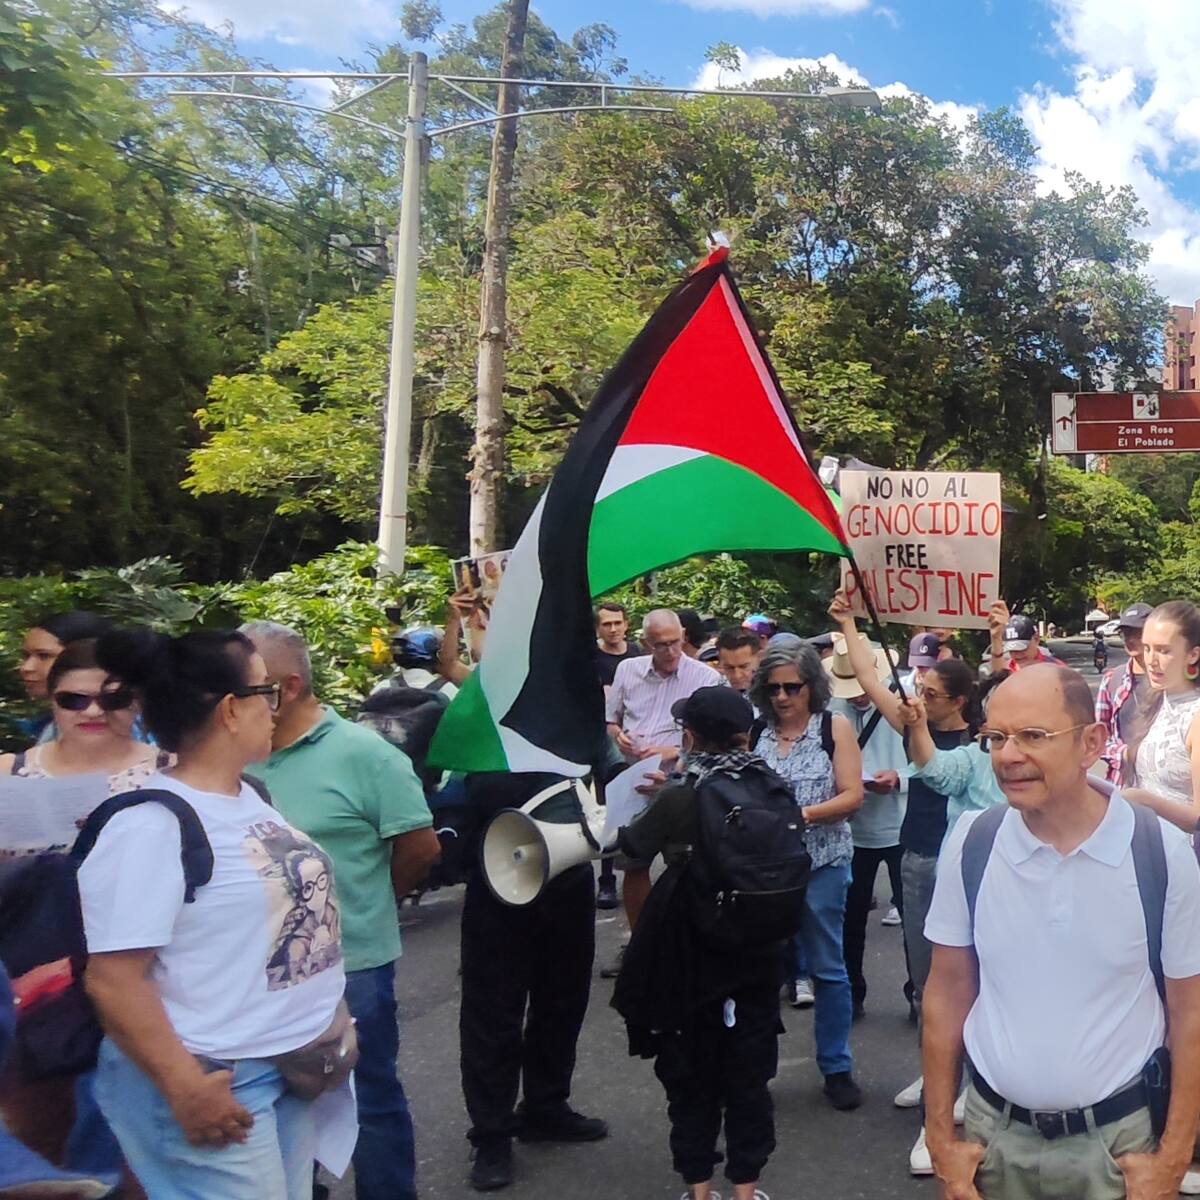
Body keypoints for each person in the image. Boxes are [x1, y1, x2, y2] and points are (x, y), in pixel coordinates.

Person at [78, 629, 350, 1200]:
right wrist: (185, 1087)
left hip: (288, 1068)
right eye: (266, 692)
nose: (276, 707)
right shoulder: (148, 825)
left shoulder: (249, 796)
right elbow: (113, 978)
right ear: (232, 708)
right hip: (215, 1080)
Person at [922, 663, 1200, 1200]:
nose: (1008, 755)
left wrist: (1172, 1158)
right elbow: (947, 992)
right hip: (993, 1142)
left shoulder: (1159, 854)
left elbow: (1190, 1013)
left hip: (1117, 1147)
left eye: (1033, 736)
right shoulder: (971, 843)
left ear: (1091, 742)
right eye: (996, 737)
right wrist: (941, 1141)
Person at [241, 622, 440, 1200]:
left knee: (369, 1095)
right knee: (275, 1100)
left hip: (353, 963)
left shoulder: (363, 754)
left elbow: (420, 848)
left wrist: (368, 905)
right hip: (255, 973)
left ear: (288, 686)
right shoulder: (233, 758)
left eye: (247, 686)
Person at [0, 639, 165, 1187]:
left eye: (111, 700)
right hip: (34, 980)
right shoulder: (10, 771)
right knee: (40, 1141)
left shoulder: (170, 772)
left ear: (137, 702)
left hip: (141, 975)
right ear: (51, 700)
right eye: (74, 700)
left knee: (135, 1144)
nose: (93, 712)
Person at [613, 687, 788, 1200]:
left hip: (690, 950)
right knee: (749, 1073)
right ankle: (746, 1189)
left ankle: (699, 1189)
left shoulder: (680, 794)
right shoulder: (773, 784)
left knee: (690, 1074)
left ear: (689, 737)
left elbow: (631, 852)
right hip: (757, 948)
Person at [458, 770, 608, 1191]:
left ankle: (546, 1106)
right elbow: (449, 795)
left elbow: (609, 782)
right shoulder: (480, 728)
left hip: (568, 879)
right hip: (497, 881)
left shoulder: (576, 725)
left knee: (563, 1001)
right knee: (492, 1014)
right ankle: (492, 1134)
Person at [750, 641, 866, 1110]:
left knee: (828, 970)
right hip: (763, 870)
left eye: (792, 688)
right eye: (773, 688)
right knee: (758, 972)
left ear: (811, 687)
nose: (782, 697)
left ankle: (836, 1067)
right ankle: (754, 1068)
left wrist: (799, 816)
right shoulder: (754, 731)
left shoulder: (833, 727)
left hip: (821, 864)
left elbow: (852, 795)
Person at [604, 610, 716, 950]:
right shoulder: (628, 670)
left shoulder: (703, 677)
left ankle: (686, 944)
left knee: (686, 864)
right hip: (635, 779)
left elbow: (711, 740)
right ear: (645, 644)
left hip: (680, 781)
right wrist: (616, 734)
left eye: (675, 643)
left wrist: (671, 753)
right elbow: (609, 719)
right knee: (632, 864)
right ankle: (641, 946)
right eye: (661, 646)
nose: (670, 652)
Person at [821, 632, 908, 1022]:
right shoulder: (830, 710)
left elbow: (932, 758)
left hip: (902, 825)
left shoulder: (904, 702)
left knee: (916, 918)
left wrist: (900, 777)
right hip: (851, 830)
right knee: (850, 919)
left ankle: (917, 993)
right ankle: (851, 992)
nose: (857, 696)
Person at [1119, 601, 1200, 842]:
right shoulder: (1154, 700)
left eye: (1164, 650)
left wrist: (1144, 801)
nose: (1152, 660)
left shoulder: (1195, 718)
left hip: (1185, 862)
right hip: (1147, 848)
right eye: (1147, 648)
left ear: (1193, 654)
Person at [14, 612, 113, 741]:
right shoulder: (52, 728)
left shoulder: (123, 728)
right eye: (26, 656)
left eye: (44, 656)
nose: (26, 668)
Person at [1096, 603, 1152, 784]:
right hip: (1122, 783)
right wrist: (1126, 754)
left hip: (1168, 789)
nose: (1131, 639)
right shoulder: (1112, 679)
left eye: (1138, 632)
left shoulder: (1175, 680)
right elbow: (1099, 737)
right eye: (1126, 633)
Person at [986, 601, 1062, 674]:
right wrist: (995, 638)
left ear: (1036, 639)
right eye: (1012, 650)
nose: (1017, 655)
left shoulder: (1057, 670)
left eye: (1022, 648)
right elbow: (996, 676)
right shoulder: (1006, 671)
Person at [595, 602, 641, 688]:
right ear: (597, 628)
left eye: (617, 623)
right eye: (607, 624)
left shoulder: (638, 650)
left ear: (625, 625)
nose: (613, 629)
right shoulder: (593, 659)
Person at [714, 626, 760, 697]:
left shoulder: (776, 692)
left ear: (759, 658)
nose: (737, 676)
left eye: (743, 667)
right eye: (729, 668)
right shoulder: (713, 693)